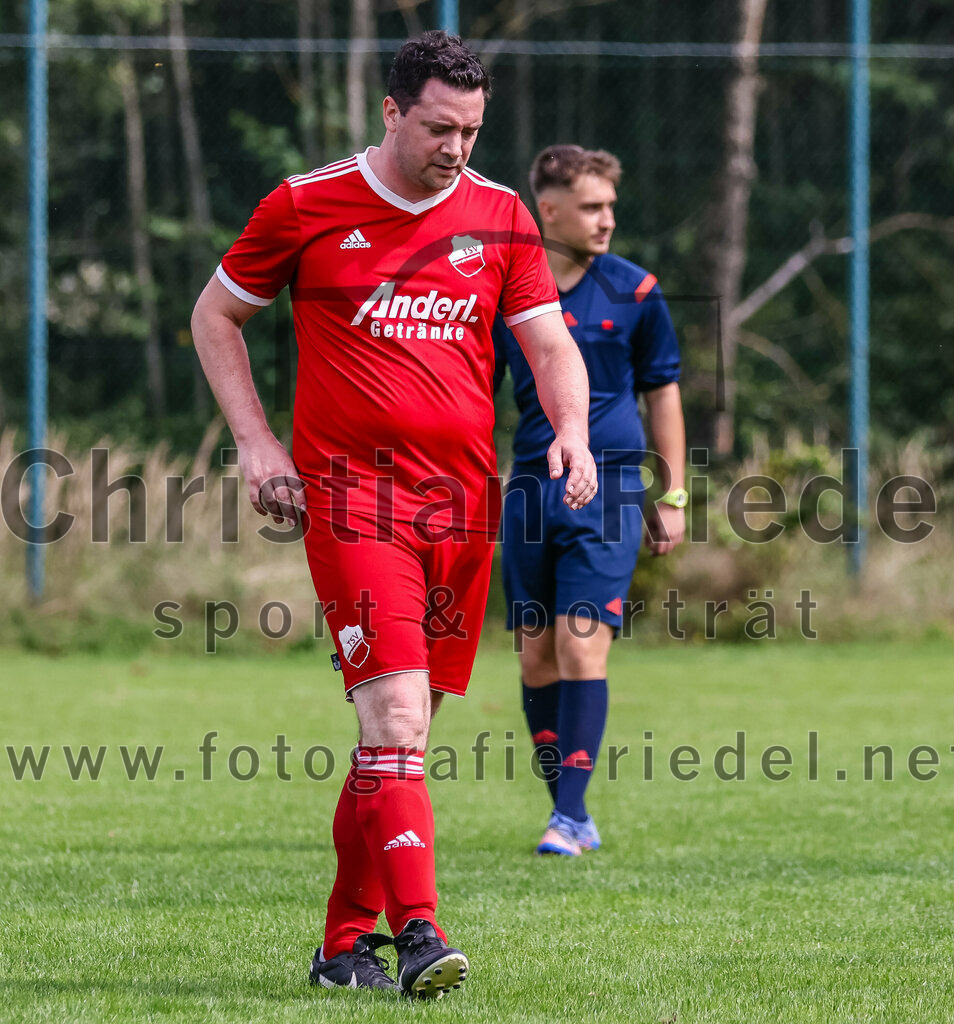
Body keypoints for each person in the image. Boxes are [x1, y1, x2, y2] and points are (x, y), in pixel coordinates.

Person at [190, 34, 597, 997]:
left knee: (398, 741)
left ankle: (341, 950)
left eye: (471, 130)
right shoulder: (306, 202)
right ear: (389, 111)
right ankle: (420, 935)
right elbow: (215, 316)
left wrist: (573, 434)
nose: (456, 146)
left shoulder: (499, 215)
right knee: (398, 717)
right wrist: (256, 443)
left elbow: (547, 344)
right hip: (349, 498)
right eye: (437, 127)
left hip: (463, 508)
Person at [493, 144, 686, 857]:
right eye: (592, 206)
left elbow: (662, 394)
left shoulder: (636, 292)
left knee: (580, 644)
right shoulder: (510, 295)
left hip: (610, 490)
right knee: (535, 659)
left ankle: (568, 818)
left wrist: (674, 491)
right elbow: (470, 394)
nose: (608, 219)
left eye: (610, 205)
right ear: (548, 210)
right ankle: (569, 808)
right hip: (530, 489)